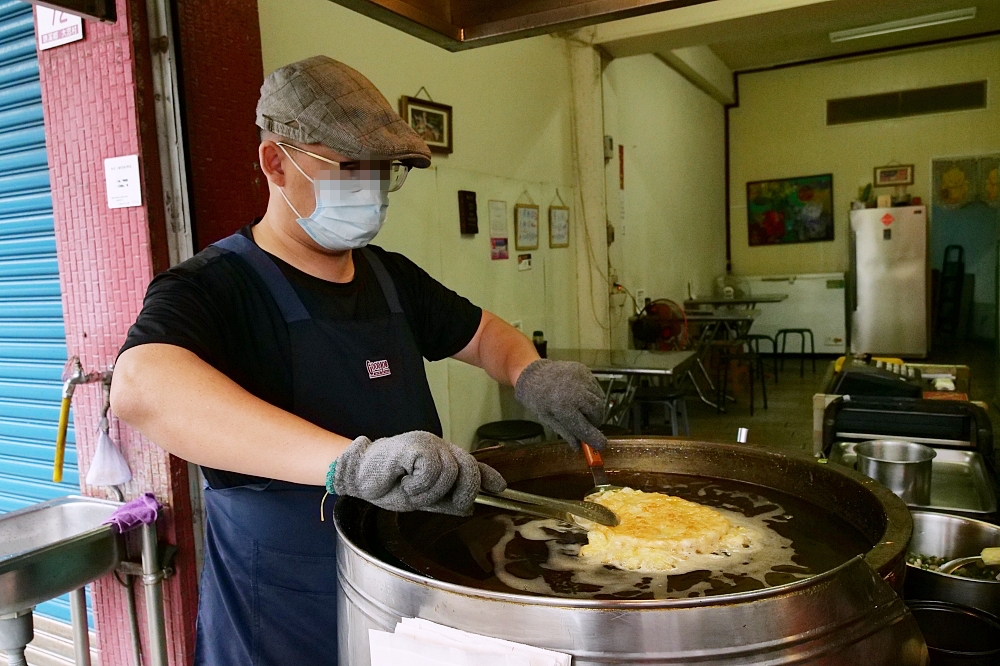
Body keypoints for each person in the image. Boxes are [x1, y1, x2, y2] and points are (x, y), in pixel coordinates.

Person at [110, 56, 608, 665]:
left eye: (382, 172)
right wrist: (349, 463)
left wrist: (529, 370)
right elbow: (141, 387)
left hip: (408, 591)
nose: (370, 190)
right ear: (276, 161)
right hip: (285, 617)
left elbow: (483, 335)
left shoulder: (390, 278)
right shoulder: (214, 287)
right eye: (351, 168)